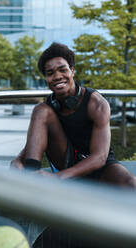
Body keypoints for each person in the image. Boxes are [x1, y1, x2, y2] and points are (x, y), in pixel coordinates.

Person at [11, 42, 136, 188]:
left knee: (131, 183)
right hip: (67, 160)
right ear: (45, 78)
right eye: (50, 73)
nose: (57, 76)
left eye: (62, 70)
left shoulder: (96, 103)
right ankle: (28, 183)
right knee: (40, 110)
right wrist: (18, 160)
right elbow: (34, 143)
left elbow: (100, 157)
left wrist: (57, 177)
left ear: (72, 70)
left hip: (98, 165)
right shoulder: (47, 107)